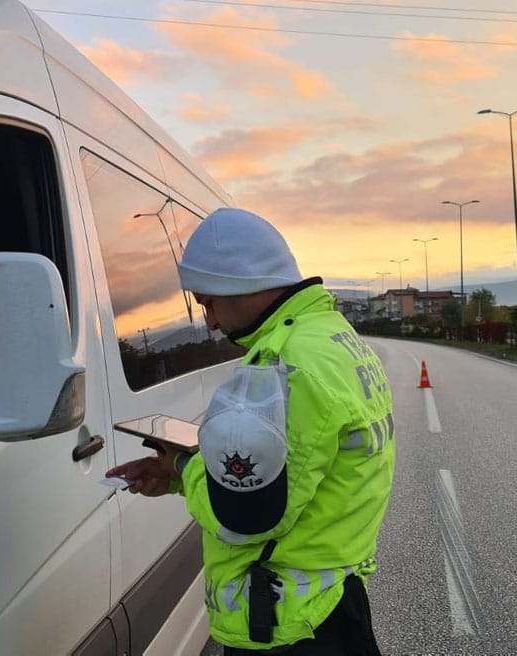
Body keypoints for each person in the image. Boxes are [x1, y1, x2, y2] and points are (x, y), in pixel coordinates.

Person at [108, 207, 395, 655]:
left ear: (237, 285)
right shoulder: (333, 336)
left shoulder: (283, 367)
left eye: (208, 303)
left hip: (286, 624)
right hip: (330, 600)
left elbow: (247, 518)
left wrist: (183, 465)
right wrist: (180, 476)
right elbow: (288, 481)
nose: (211, 322)